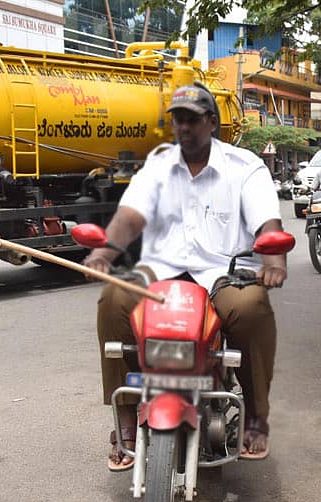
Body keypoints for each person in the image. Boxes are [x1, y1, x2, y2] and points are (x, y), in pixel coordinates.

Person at [84, 85, 286, 470]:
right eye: (178, 119)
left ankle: (256, 415)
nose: (184, 127)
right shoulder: (158, 165)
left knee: (252, 306)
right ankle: (125, 416)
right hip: (159, 273)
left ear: (212, 122)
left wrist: (273, 259)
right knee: (113, 299)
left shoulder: (244, 167)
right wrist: (104, 252)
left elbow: (267, 222)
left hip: (222, 274)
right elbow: (130, 217)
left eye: (193, 119)